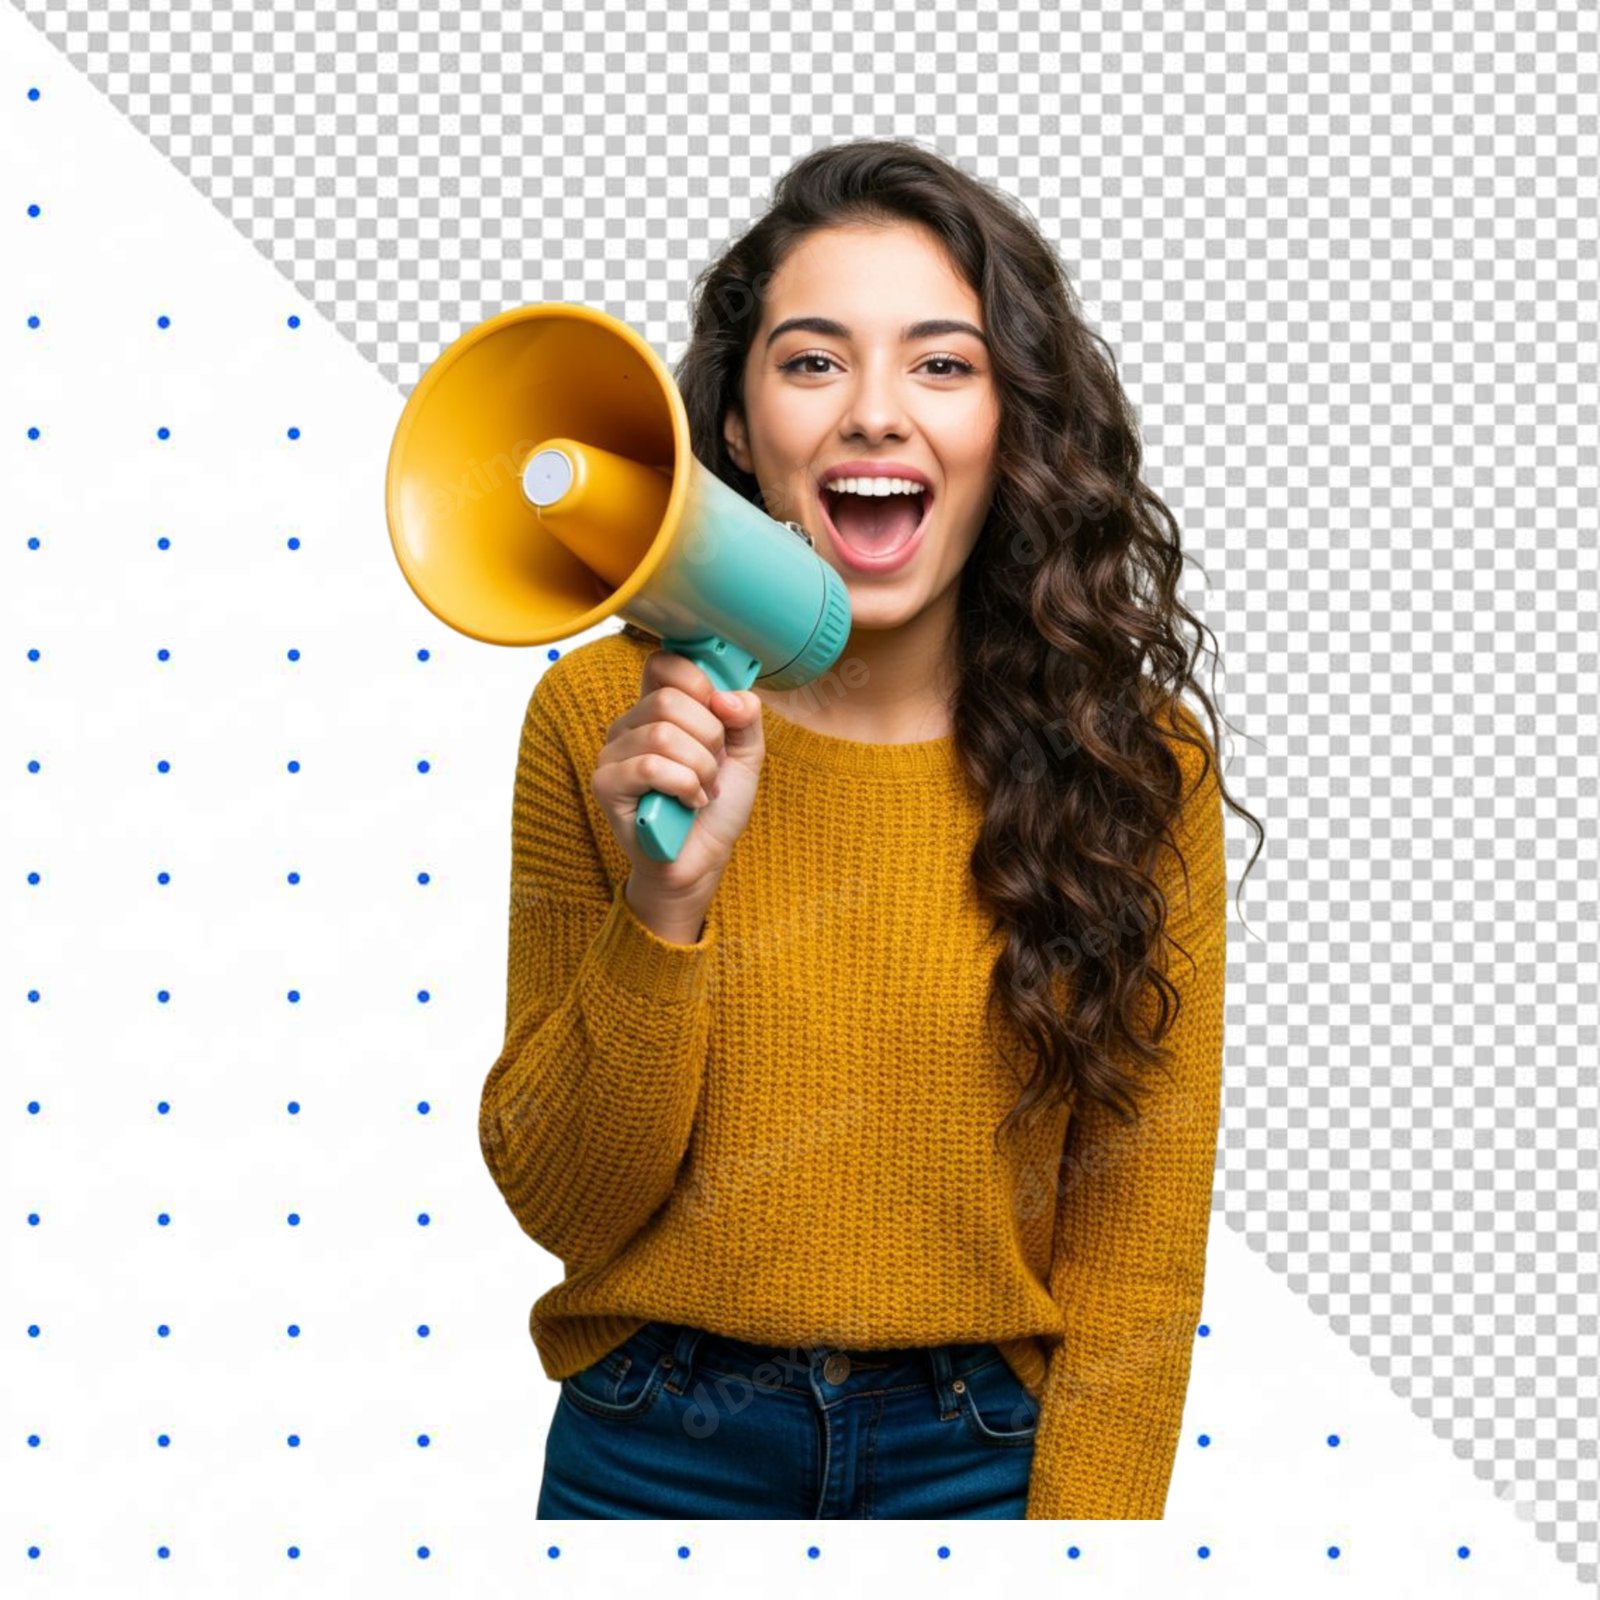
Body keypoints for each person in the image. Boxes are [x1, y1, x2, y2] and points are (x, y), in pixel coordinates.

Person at [479, 136, 1263, 1520]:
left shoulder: (1131, 768)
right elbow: (560, 1200)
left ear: (1010, 420)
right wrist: (665, 908)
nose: (876, 416)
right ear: (735, 430)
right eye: (814, 361)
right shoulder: (603, 723)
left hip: (982, 1464)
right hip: (651, 1449)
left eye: (943, 365)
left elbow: (1136, 1261)